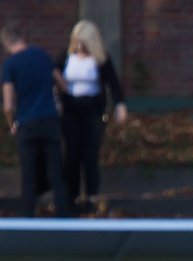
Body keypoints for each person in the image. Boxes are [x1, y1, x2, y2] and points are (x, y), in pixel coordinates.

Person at [53, 20, 126, 212]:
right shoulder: (66, 57)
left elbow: (114, 83)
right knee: (72, 153)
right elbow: (54, 78)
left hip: (93, 109)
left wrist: (120, 104)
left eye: (83, 42)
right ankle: (72, 195)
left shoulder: (101, 59)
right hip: (71, 109)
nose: (80, 46)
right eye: (77, 42)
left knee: (90, 154)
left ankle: (92, 195)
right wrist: (57, 101)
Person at [1, 23, 70, 217]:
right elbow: (63, 85)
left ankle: (28, 218)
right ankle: (64, 216)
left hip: (26, 123)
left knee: (28, 174)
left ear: (6, 44)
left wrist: (12, 123)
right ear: (24, 38)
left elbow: (7, 105)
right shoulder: (42, 55)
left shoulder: (10, 66)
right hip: (49, 120)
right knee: (56, 172)